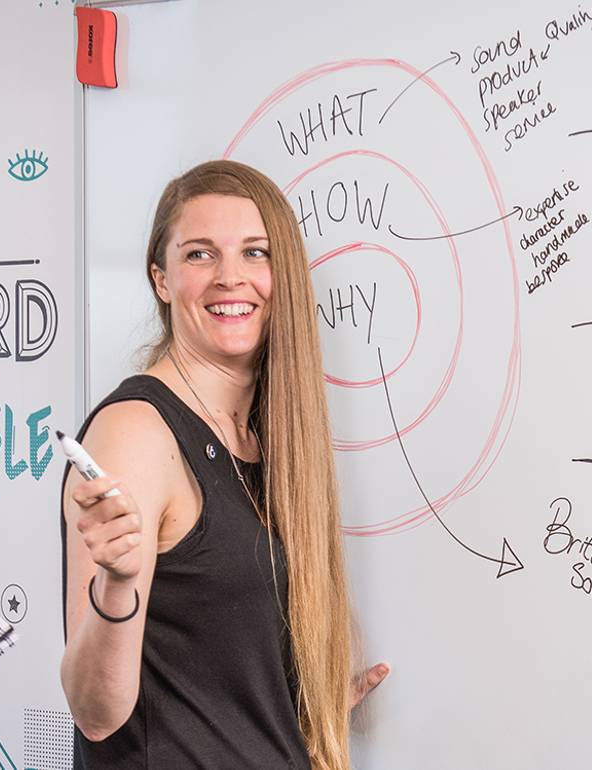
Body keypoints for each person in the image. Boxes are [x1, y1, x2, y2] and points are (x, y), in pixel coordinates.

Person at [60, 160, 389, 769]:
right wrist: (118, 581)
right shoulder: (137, 431)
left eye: (255, 253)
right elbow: (95, 714)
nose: (230, 277)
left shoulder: (268, 440)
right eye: (200, 255)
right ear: (161, 279)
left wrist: (290, 705)